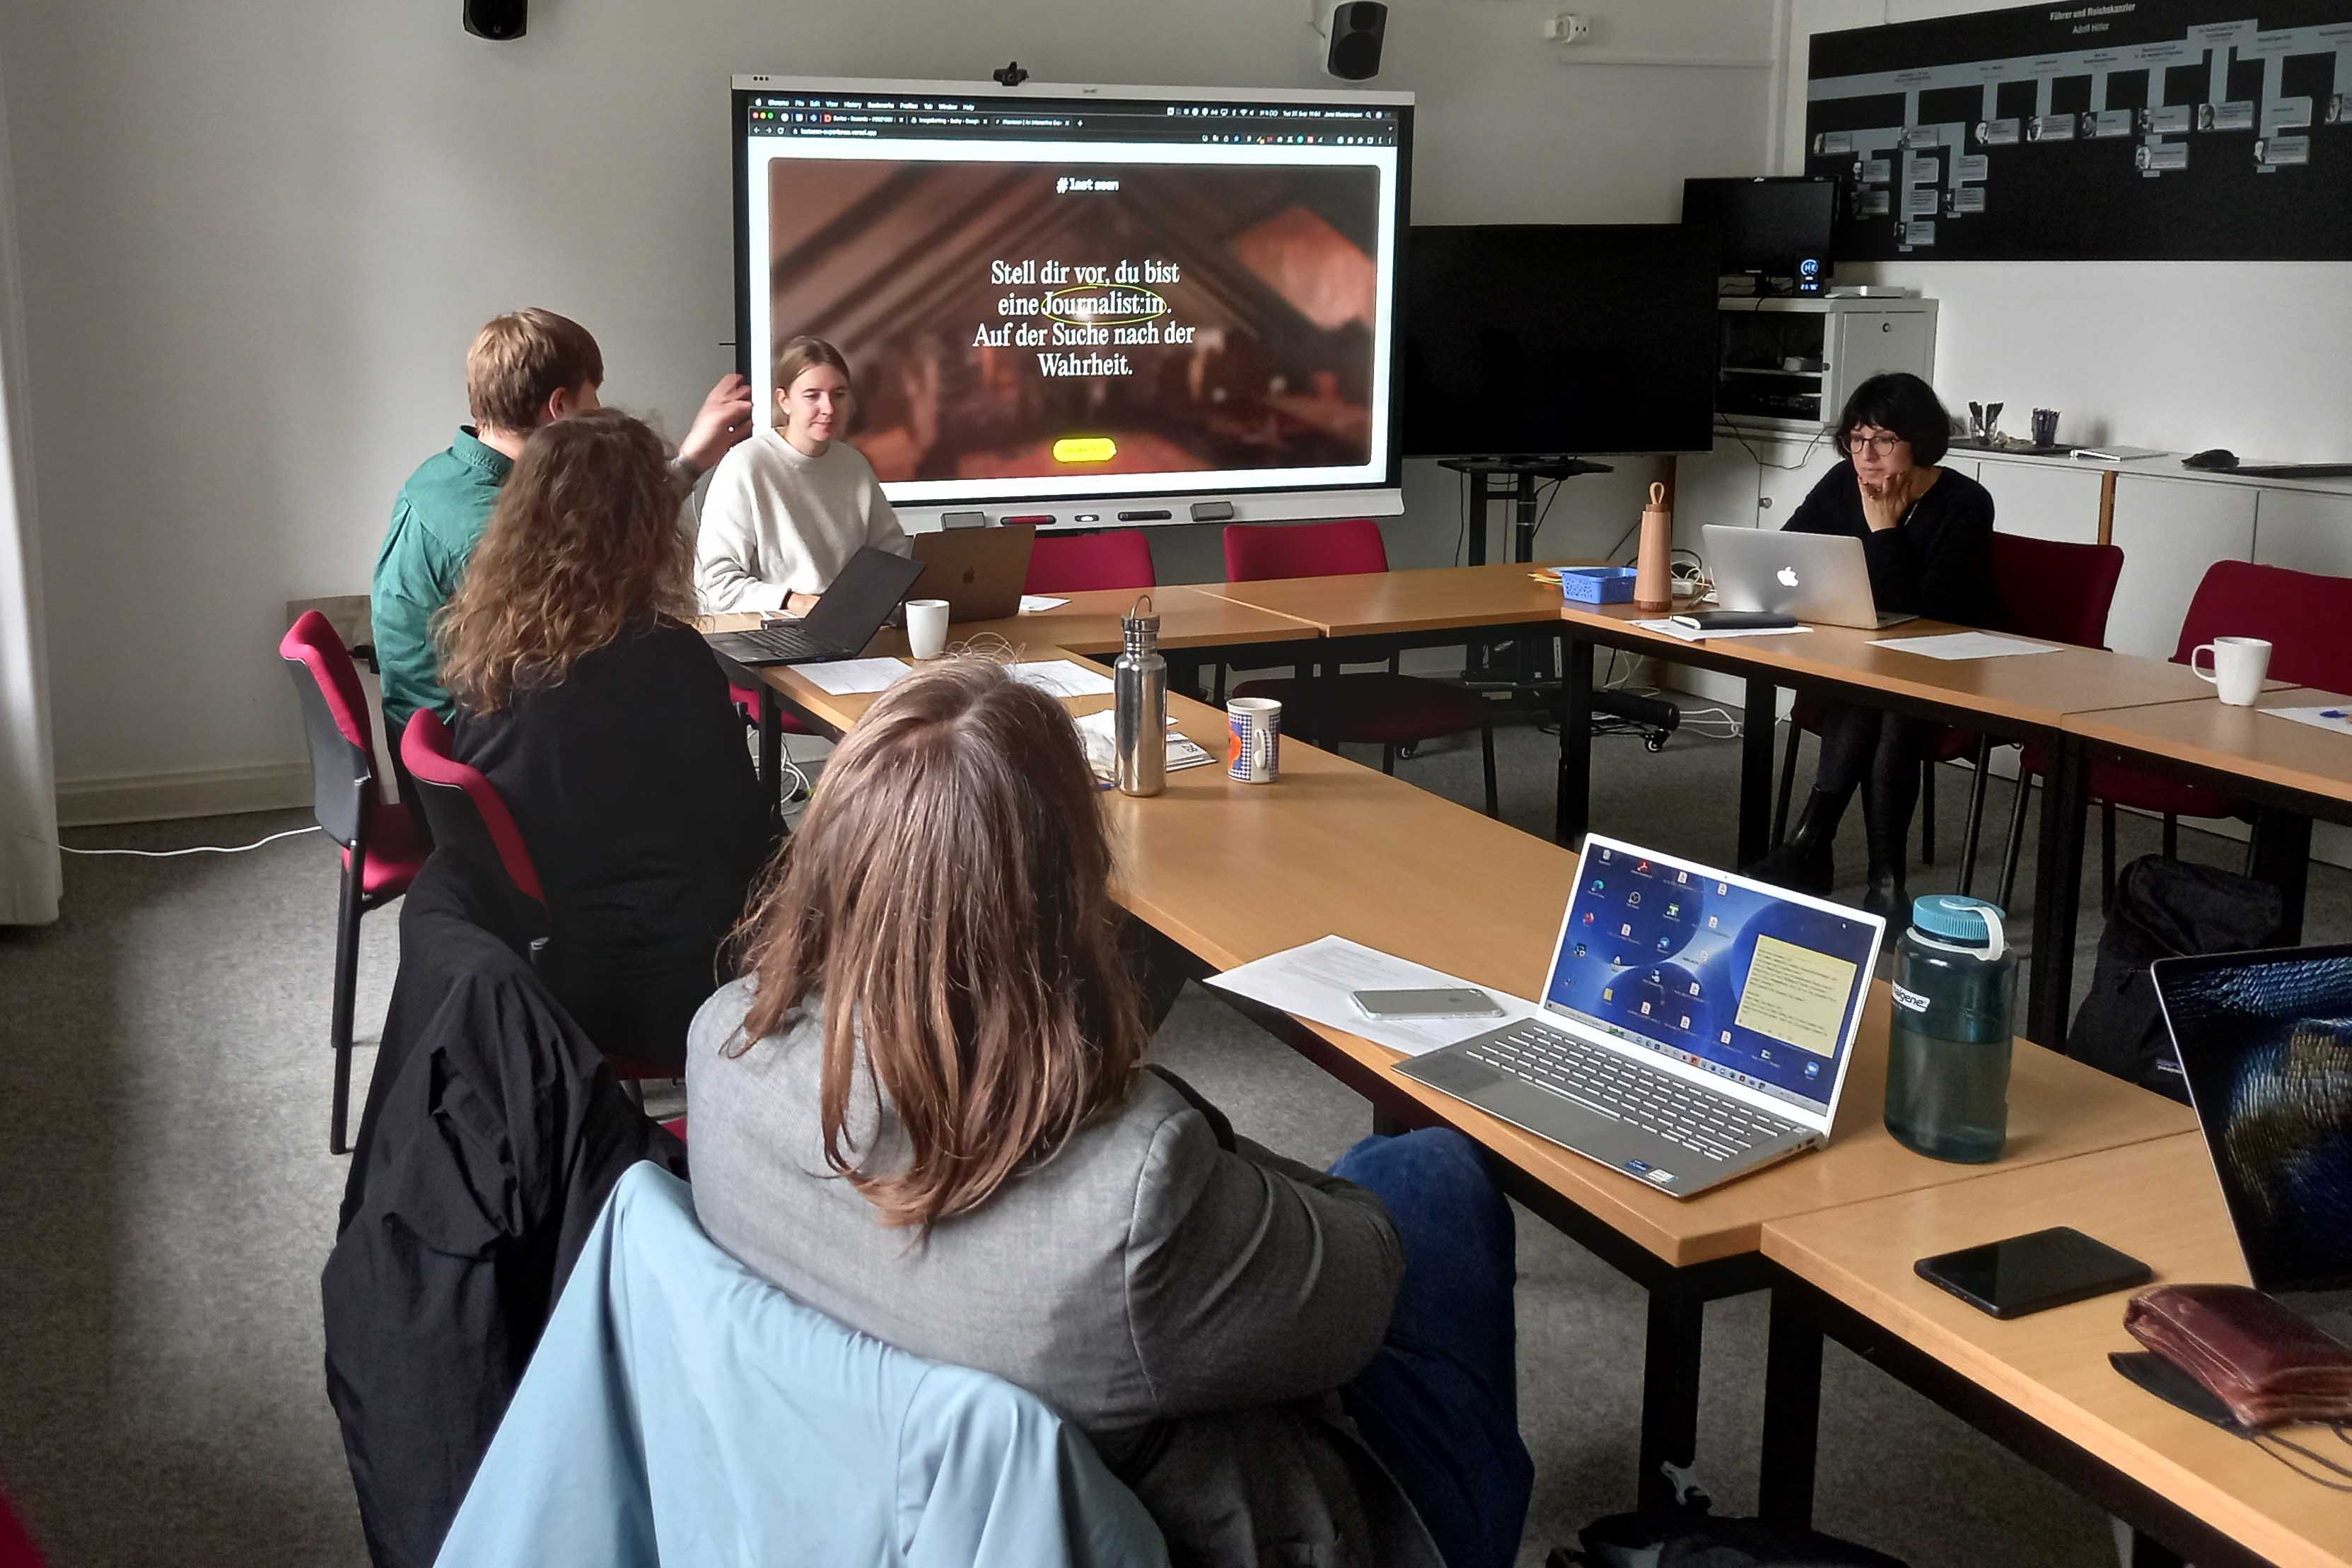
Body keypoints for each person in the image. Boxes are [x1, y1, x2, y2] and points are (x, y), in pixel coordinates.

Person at [687, 660, 1532, 1568]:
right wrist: (1200, 1147)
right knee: (1425, 1174)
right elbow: (1364, 1292)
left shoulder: (721, 1044)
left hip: (863, 1510)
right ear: (1070, 882)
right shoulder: (1132, 1193)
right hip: (1204, 1520)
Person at [436, 409, 774, 1070]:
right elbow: (743, 839)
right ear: (646, 529)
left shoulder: (490, 654)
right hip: (671, 983)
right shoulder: (666, 658)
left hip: (545, 973)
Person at [373, 308, 754, 742]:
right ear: (559, 408)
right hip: (473, 746)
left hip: (448, 739)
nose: (600, 410)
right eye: (593, 396)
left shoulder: (441, 477)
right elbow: (593, 601)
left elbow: (599, 537)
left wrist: (690, 462)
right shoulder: (489, 530)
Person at [1747, 372, 2001, 919]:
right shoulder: (1843, 481)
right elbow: (1788, 548)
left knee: (1886, 699)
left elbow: (1927, 610)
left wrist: (1885, 531)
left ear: (1921, 442)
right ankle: (1883, 877)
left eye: (1883, 440)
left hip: (1949, 662)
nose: (1866, 456)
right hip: (1864, 657)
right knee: (1873, 692)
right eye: (1857, 440)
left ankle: (1813, 845)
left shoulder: (1966, 502)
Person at [694, 336, 909, 614]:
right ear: (784, 401)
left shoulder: (854, 464)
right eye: (812, 396)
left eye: (839, 394)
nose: (829, 408)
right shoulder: (746, 465)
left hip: (844, 622)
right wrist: (799, 603)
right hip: (770, 626)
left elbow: (893, 557)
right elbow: (714, 586)